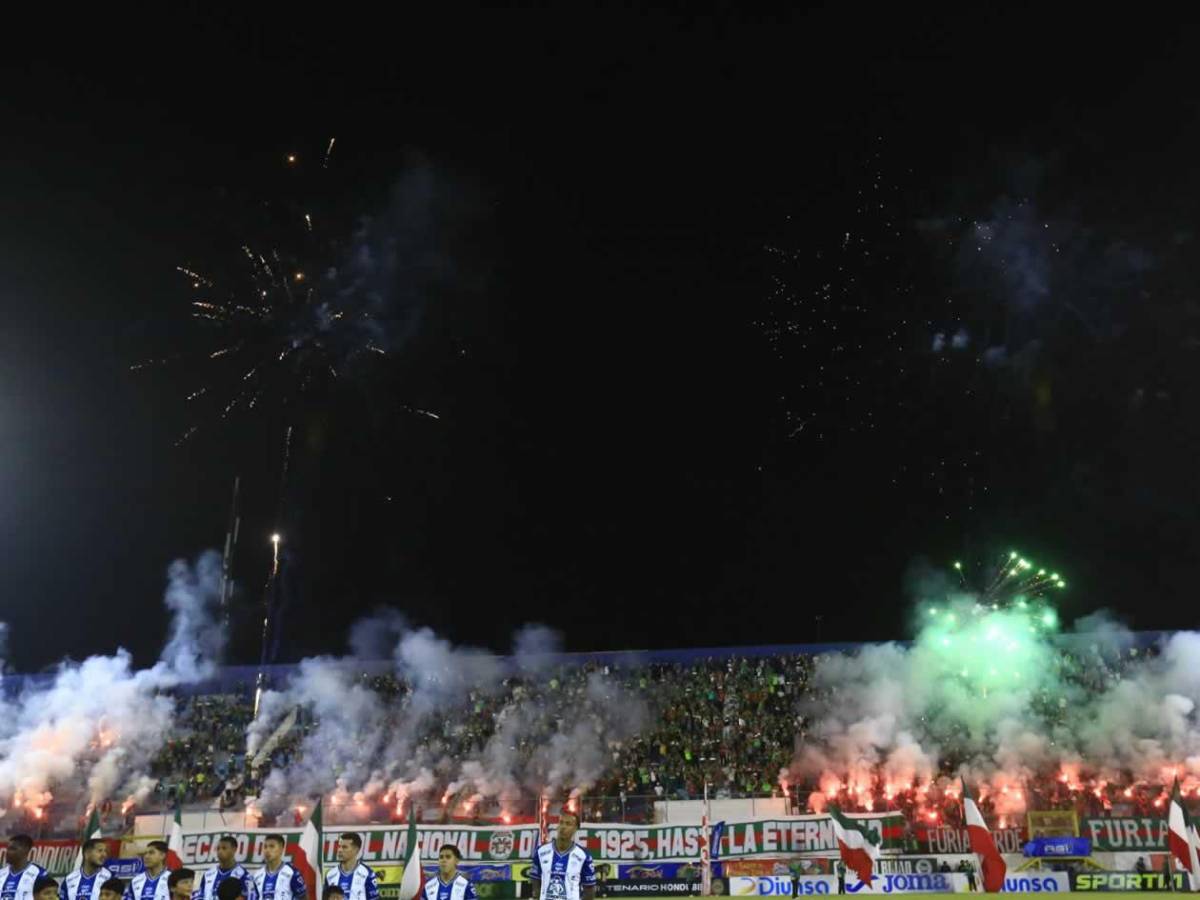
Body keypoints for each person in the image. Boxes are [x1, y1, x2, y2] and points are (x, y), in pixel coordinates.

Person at [529, 810, 596, 900]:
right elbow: (536, 882)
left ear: (576, 828)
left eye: (568, 824)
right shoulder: (541, 851)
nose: (563, 827)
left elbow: (589, 891)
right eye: (561, 823)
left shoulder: (584, 856)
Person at [324, 835, 378, 900]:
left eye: (344, 847)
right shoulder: (330, 874)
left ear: (356, 850)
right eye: (339, 846)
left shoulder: (367, 874)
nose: (340, 850)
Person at [254, 835, 306, 900]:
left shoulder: (291, 872)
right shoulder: (257, 875)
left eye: (272, 846)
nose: (267, 850)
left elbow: (303, 897)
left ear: (281, 849)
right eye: (265, 847)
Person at [0, 835, 48, 900]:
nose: (7, 852)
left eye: (13, 849)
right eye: (7, 849)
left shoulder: (39, 874)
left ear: (26, 850)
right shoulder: (1, 874)